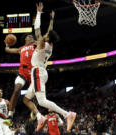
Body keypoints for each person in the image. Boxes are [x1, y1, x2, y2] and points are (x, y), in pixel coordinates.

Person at [23, 2, 77, 132]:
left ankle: (67, 114)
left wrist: (39, 13)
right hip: (41, 72)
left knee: (42, 101)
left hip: (37, 72)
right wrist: (52, 19)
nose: (45, 34)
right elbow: (48, 31)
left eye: (46, 35)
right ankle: (40, 117)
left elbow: (37, 29)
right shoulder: (50, 45)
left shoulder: (42, 44)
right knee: (25, 99)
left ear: (47, 38)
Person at [3, 33, 36, 126]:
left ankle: (34, 109)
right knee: (17, 89)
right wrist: (7, 44)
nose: (30, 38)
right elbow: (8, 50)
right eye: (29, 37)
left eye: (32, 37)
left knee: (35, 95)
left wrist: (35, 41)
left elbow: (43, 42)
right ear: (25, 39)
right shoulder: (20, 49)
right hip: (23, 71)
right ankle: (10, 116)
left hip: (33, 71)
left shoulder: (35, 45)